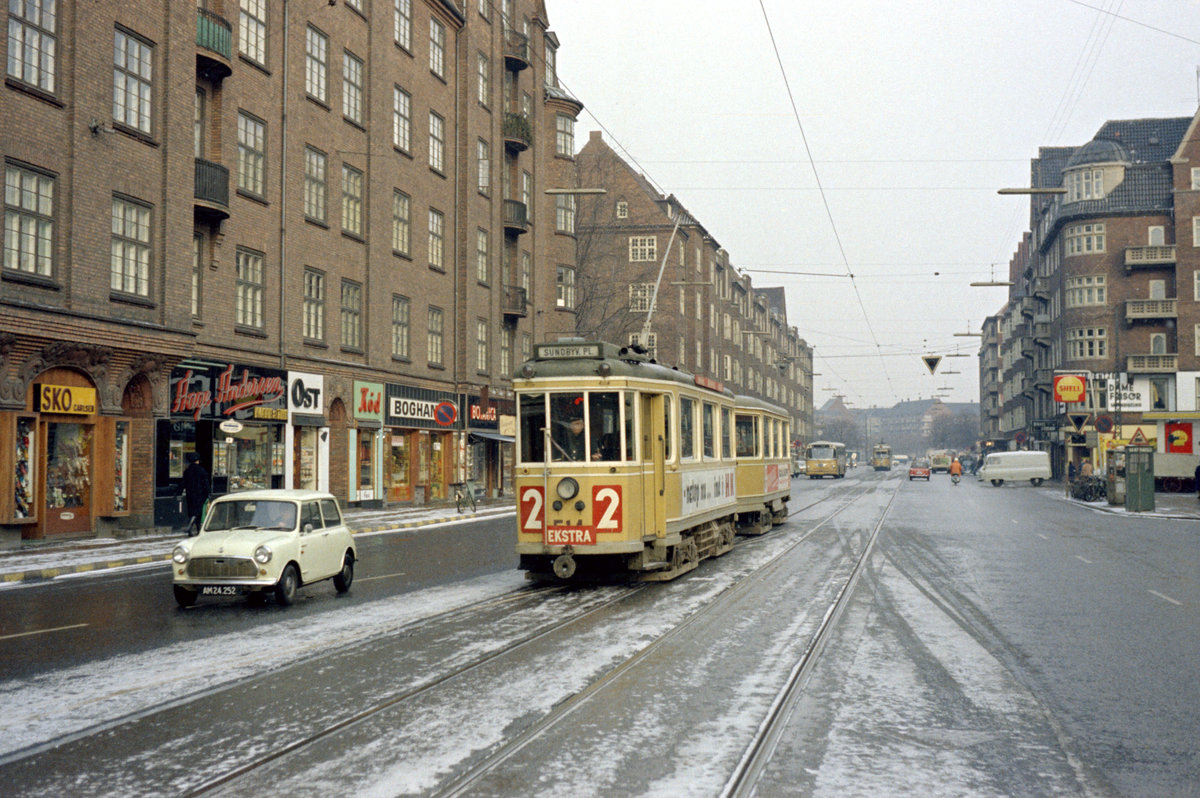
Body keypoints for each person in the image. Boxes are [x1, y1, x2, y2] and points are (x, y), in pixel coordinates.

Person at [182, 453, 210, 535]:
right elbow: (206, 483)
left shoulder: (187, 471)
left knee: (191, 511)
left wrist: (178, 491)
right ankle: (191, 526)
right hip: (200, 494)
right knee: (198, 512)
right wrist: (208, 492)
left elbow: (183, 482)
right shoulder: (201, 470)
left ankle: (193, 531)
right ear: (197, 460)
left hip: (190, 494)